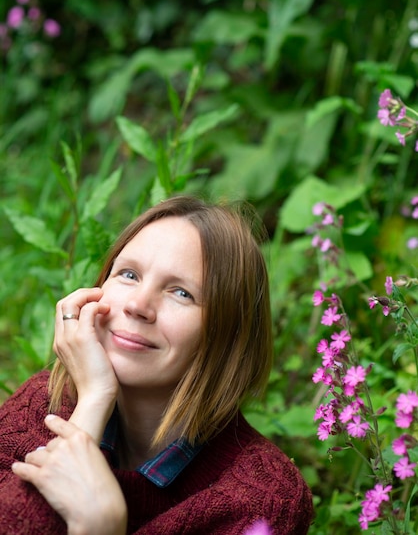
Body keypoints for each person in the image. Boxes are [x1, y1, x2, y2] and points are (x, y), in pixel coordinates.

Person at [0, 195, 313, 534]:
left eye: (181, 293)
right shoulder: (41, 406)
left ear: (230, 335)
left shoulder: (261, 500)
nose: (137, 305)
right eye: (129, 274)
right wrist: (93, 401)